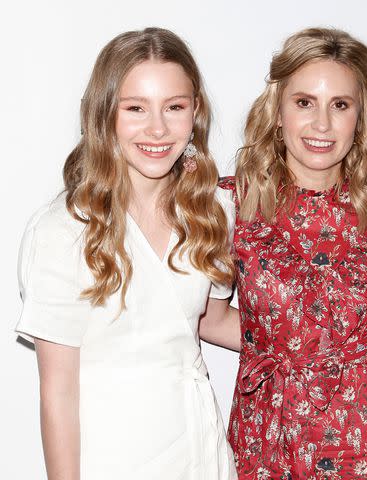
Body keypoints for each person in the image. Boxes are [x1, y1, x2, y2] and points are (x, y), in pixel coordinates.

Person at [16, 27, 238, 479]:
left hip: (200, 449)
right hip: (113, 454)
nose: (157, 129)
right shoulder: (64, 229)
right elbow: (57, 392)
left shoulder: (212, 209)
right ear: (104, 115)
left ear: (194, 113)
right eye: (135, 108)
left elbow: (209, 320)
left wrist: (329, 341)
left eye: (174, 107)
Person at [221, 28, 367, 479]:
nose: (322, 125)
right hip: (267, 436)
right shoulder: (233, 204)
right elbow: (204, 316)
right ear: (278, 110)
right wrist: (279, 346)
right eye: (305, 102)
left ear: (360, 117)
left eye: (340, 105)